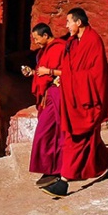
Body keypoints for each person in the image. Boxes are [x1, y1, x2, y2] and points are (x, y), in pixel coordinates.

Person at [41, 7, 108, 197]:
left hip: (89, 99)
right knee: (91, 140)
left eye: (69, 21)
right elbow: (70, 66)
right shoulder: (74, 43)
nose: (67, 26)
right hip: (76, 96)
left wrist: (64, 76)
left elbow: (96, 74)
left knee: (77, 139)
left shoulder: (93, 42)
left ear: (79, 22)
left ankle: (64, 182)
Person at [24, 23, 68, 188]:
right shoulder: (45, 51)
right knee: (50, 134)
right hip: (47, 96)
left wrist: (48, 73)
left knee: (45, 133)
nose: (35, 42)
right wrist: (33, 72)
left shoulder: (59, 48)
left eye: (37, 38)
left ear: (45, 35)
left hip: (56, 95)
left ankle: (56, 169)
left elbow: (67, 71)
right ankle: (51, 169)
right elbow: (43, 71)